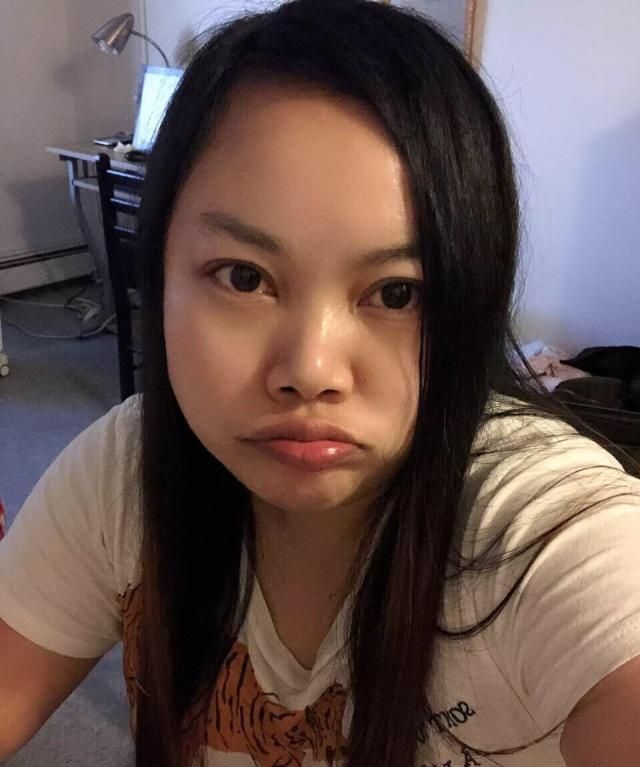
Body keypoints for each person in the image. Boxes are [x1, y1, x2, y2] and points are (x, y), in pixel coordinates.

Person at [1, 1, 639, 765]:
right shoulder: (125, 472)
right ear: (161, 271)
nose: (310, 370)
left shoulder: (539, 531)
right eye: (244, 277)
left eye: (396, 293)